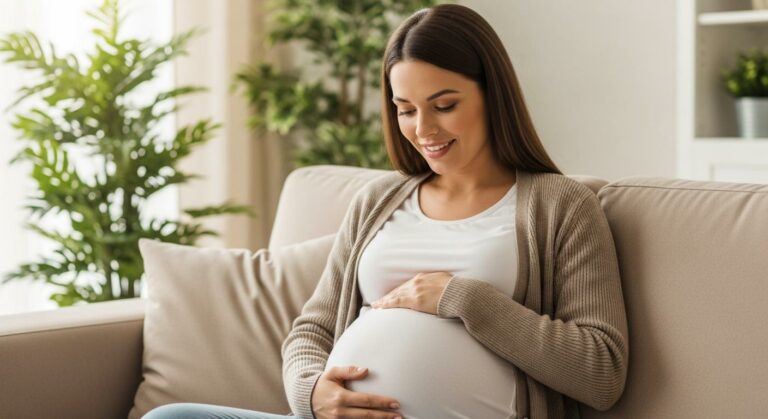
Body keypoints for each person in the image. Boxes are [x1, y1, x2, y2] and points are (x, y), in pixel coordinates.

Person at [143, 4, 628, 419]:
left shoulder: (560, 206)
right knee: (171, 417)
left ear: (491, 95)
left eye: (444, 104)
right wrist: (310, 393)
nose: (423, 129)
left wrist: (461, 298)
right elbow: (311, 329)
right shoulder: (378, 201)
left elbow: (601, 372)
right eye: (406, 109)